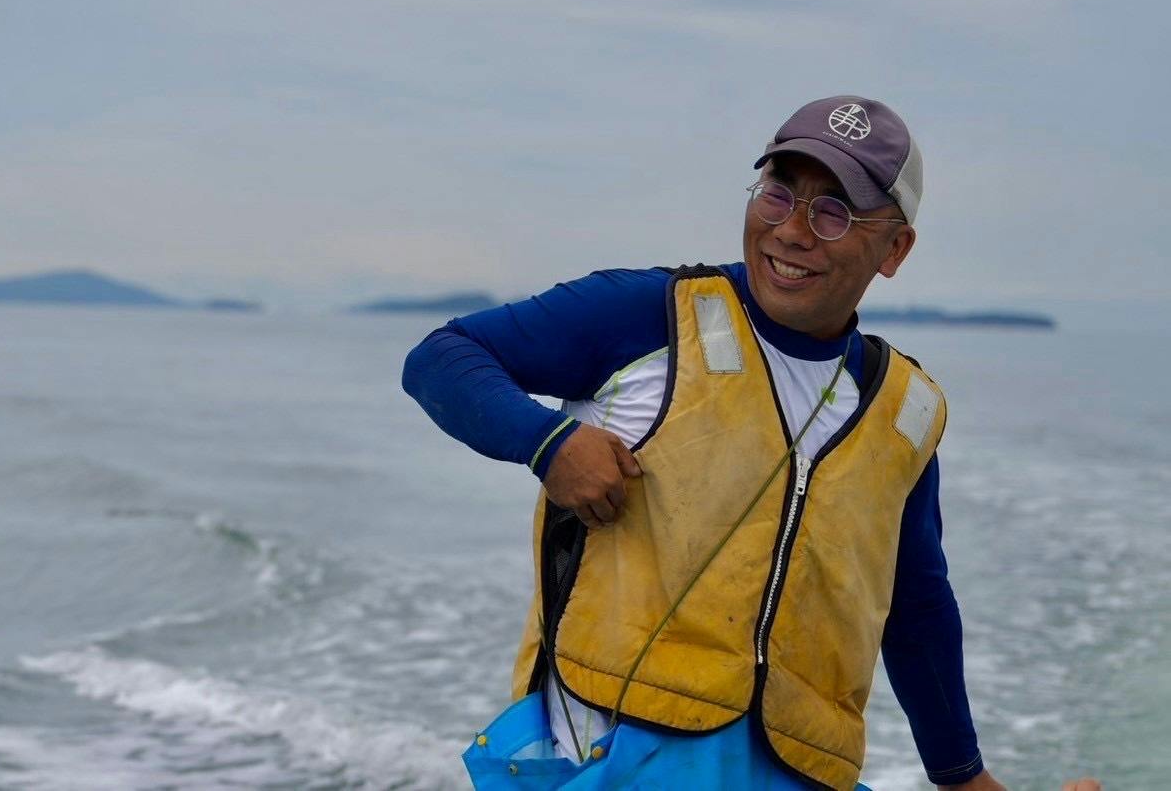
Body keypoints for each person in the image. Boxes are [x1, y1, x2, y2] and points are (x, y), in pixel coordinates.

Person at [403, 99, 1100, 790]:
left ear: (894, 249)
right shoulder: (646, 316)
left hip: (797, 770)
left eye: (834, 212)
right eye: (777, 194)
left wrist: (961, 776)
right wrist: (549, 444)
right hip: (609, 755)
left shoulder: (904, 411)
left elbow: (915, 602)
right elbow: (442, 357)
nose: (792, 231)